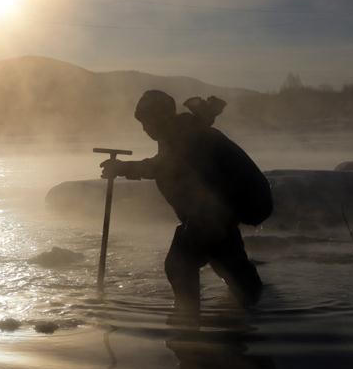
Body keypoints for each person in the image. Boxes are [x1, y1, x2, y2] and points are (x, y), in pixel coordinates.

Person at [100, 90, 271, 314]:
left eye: (146, 122)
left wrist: (124, 168)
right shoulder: (183, 131)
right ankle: (255, 310)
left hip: (215, 211)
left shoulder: (185, 135)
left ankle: (187, 321)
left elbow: (164, 166)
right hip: (219, 211)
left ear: (159, 118)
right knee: (229, 264)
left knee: (179, 265)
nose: (145, 129)